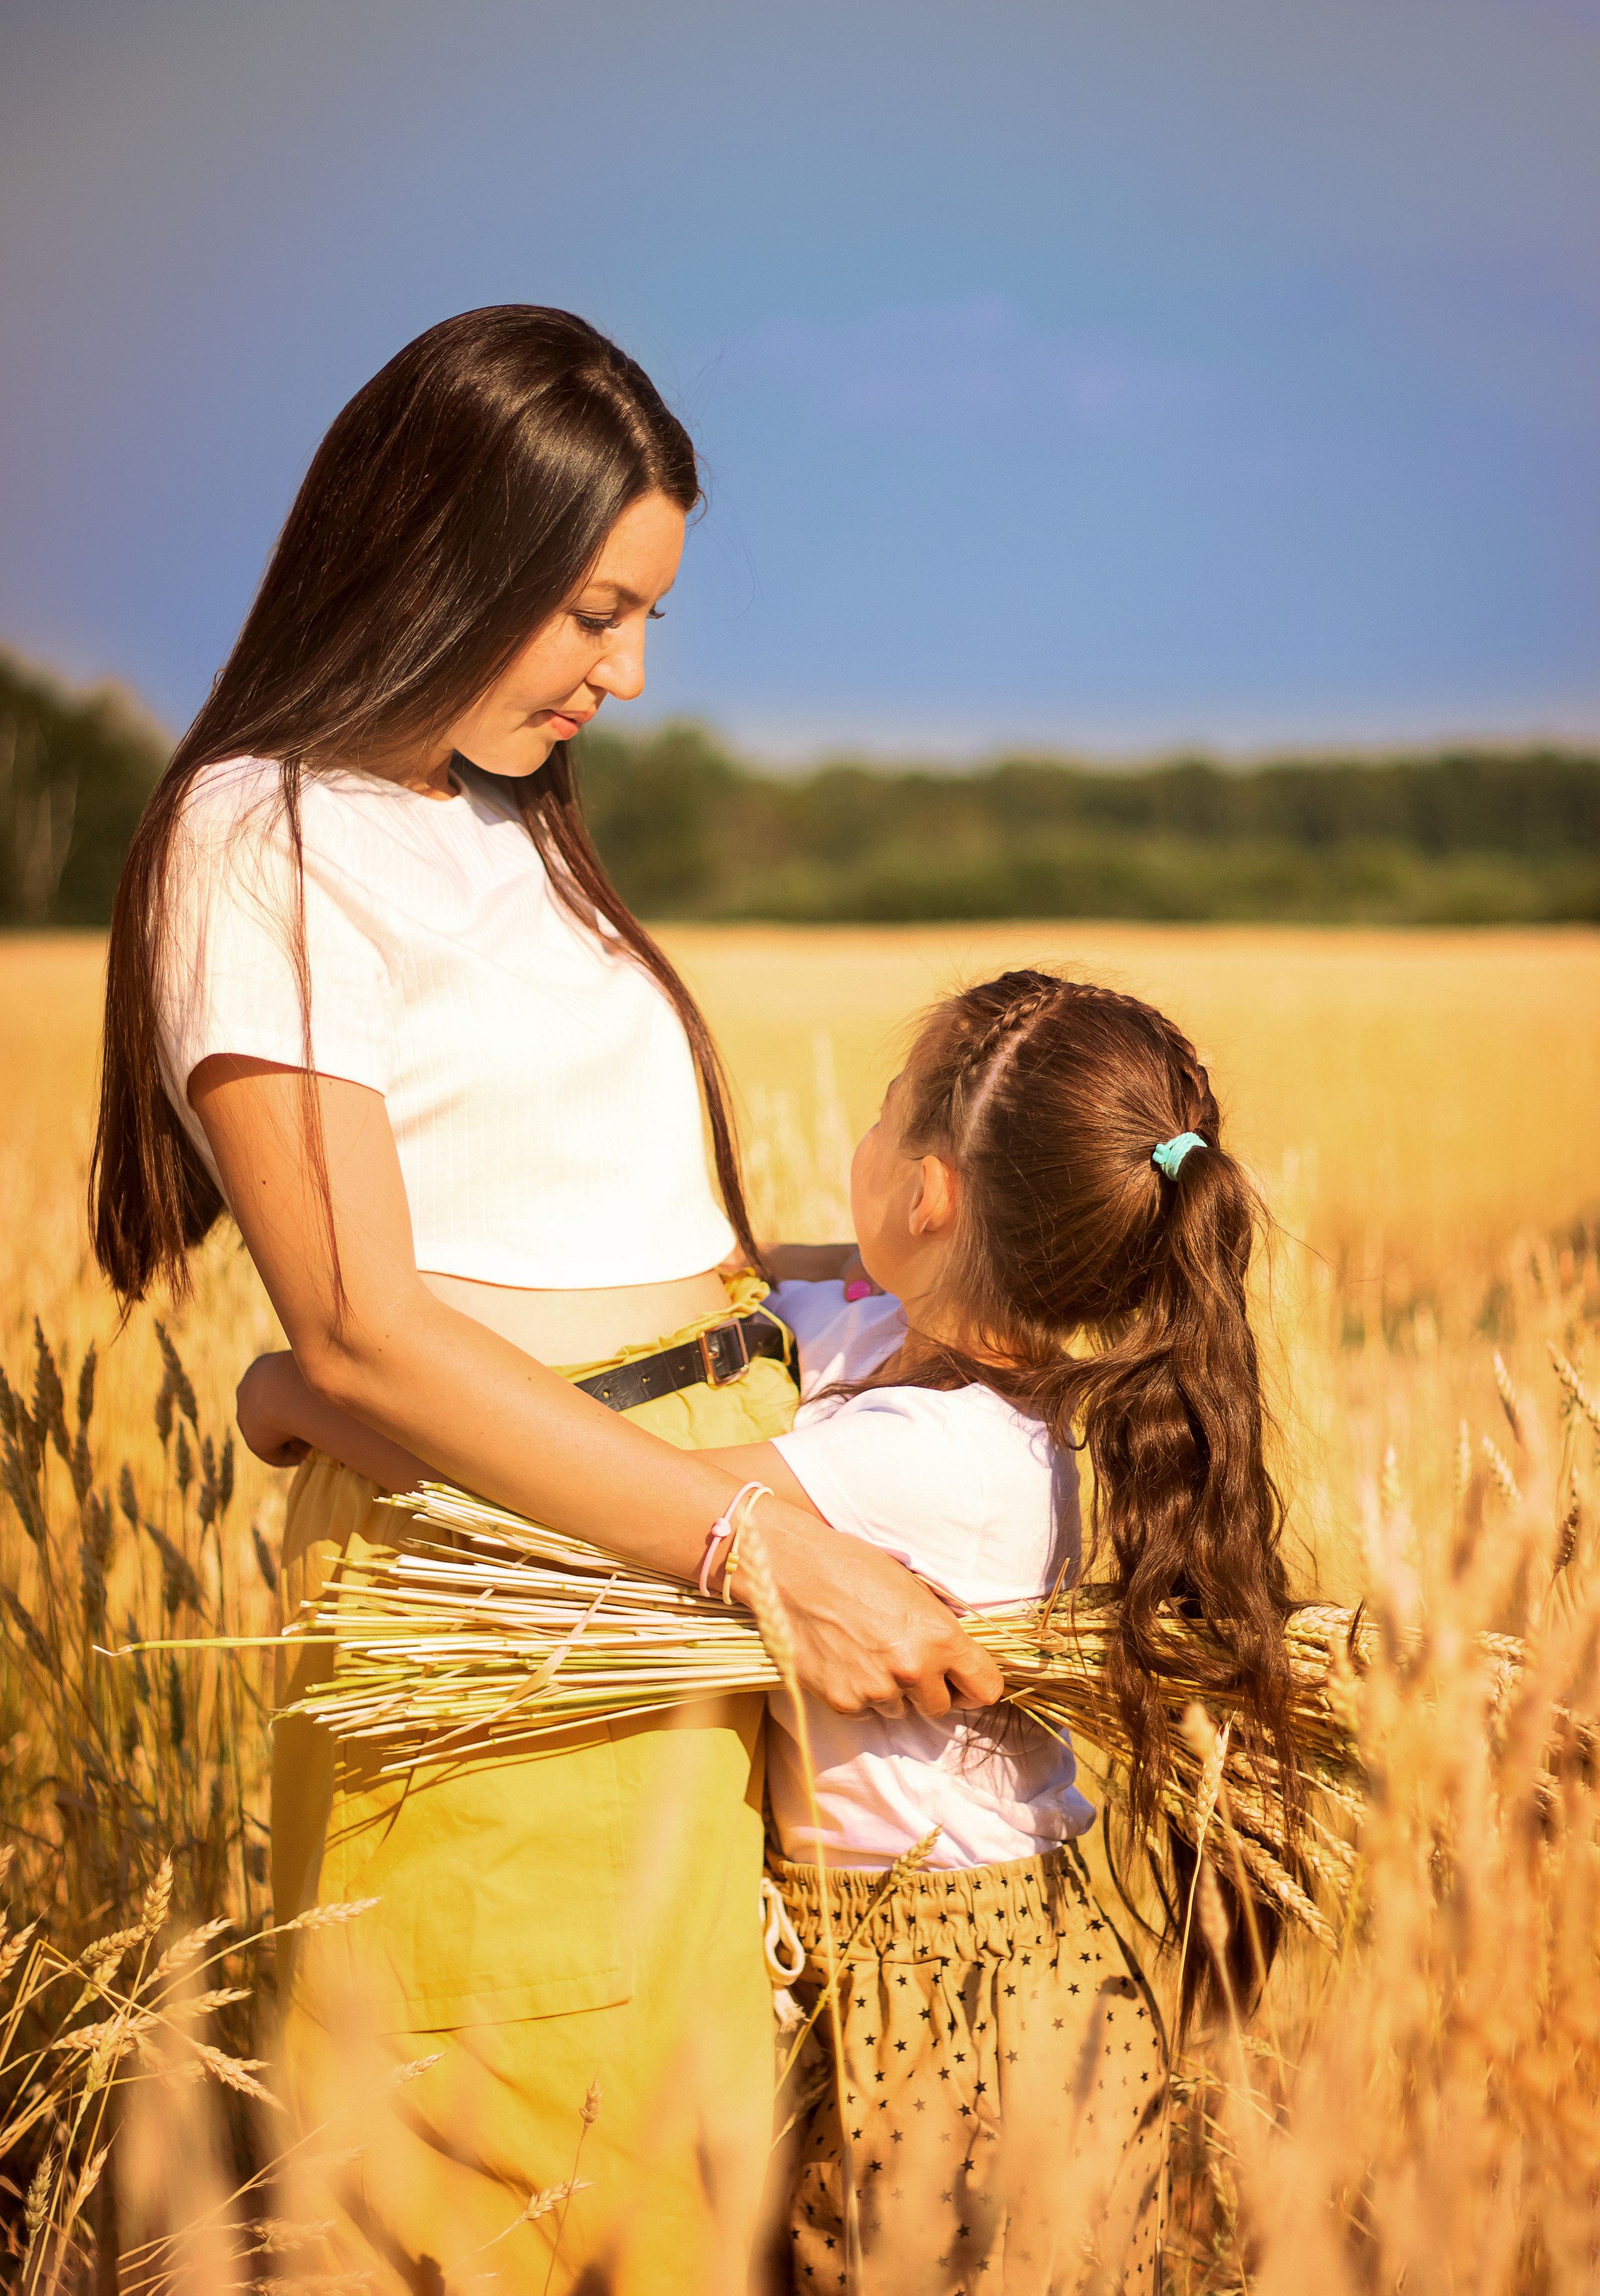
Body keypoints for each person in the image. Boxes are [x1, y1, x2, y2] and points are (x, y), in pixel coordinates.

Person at [89, 306, 1001, 2296]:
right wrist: (773, 1543)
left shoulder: (500, 824)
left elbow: (550, 1241)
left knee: (678, 2193)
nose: (630, 674)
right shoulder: (264, 836)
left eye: (648, 615)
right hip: (526, 1585)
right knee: (498, 2188)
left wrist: (966, 1295)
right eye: (593, 610)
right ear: (439, 550)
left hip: (662, 1565)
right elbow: (365, 1331)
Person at [240, 967, 1301, 2294]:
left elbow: (571, 1498)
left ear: (926, 1196)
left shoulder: (933, 1454)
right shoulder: (872, 1337)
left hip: (941, 1993)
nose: (855, 1141)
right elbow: (753, 1289)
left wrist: (296, 1390)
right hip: (906, 1950)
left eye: (883, 1114)